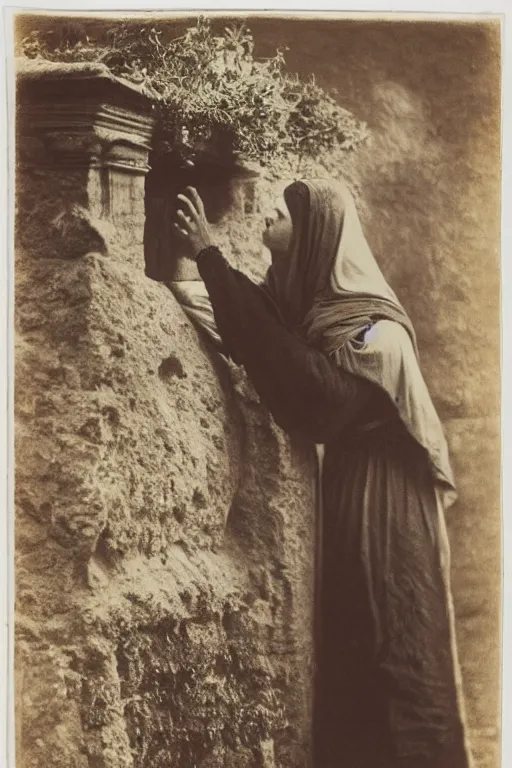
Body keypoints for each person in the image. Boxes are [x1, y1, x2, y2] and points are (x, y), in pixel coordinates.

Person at [172, 180, 473, 768]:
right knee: (351, 636)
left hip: (390, 499)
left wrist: (211, 255)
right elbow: (263, 331)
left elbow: (315, 394)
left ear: (316, 239)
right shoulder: (310, 312)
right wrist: (205, 274)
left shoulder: (375, 334)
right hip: (351, 484)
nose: (268, 212)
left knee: (394, 632)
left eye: (284, 213)